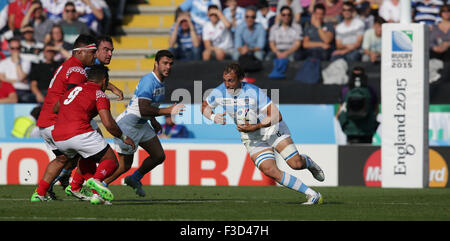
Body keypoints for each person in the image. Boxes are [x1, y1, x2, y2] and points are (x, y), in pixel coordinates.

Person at [201, 62, 325, 205]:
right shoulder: (219, 92)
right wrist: (212, 117)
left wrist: (256, 126)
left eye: (231, 80)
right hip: (252, 137)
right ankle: (312, 194)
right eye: (225, 80)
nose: (227, 85)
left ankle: (308, 162)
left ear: (241, 78)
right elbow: (204, 106)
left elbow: (276, 115)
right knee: (269, 170)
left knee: (296, 164)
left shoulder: (253, 92)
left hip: (272, 129)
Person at [31, 34, 123, 201]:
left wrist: (110, 87)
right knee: (96, 151)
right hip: (58, 119)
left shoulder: (70, 66)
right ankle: (89, 186)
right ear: (80, 52)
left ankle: (42, 192)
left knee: (63, 158)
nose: (95, 55)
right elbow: (71, 96)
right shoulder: (77, 70)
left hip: (46, 122)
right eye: (93, 52)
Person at [101, 50, 184, 197]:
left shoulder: (160, 82)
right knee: (125, 165)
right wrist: (168, 110)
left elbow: (149, 106)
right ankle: (100, 185)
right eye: (165, 63)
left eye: (171, 64)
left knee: (158, 156)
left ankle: (134, 178)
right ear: (156, 63)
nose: (168, 67)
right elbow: (143, 108)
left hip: (142, 124)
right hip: (128, 125)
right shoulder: (149, 81)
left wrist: (154, 121)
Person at [336, 66, 379, 144]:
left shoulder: (345, 90)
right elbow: (376, 110)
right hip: (367, 129)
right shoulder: (370, 90)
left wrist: (344, 124)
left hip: (350, 129)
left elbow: (339, 112)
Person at [0, 38, 34, 103]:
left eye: (17, 48)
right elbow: (2, 78)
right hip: (8, 90)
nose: (15, 50)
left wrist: (17, 63)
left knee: (25, 98)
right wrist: (18, 80)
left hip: (22, 90)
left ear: (20, 49)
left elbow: (21, 77)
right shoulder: (3, 63)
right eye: (13, 48)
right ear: (9, 49)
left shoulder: (26, 62)